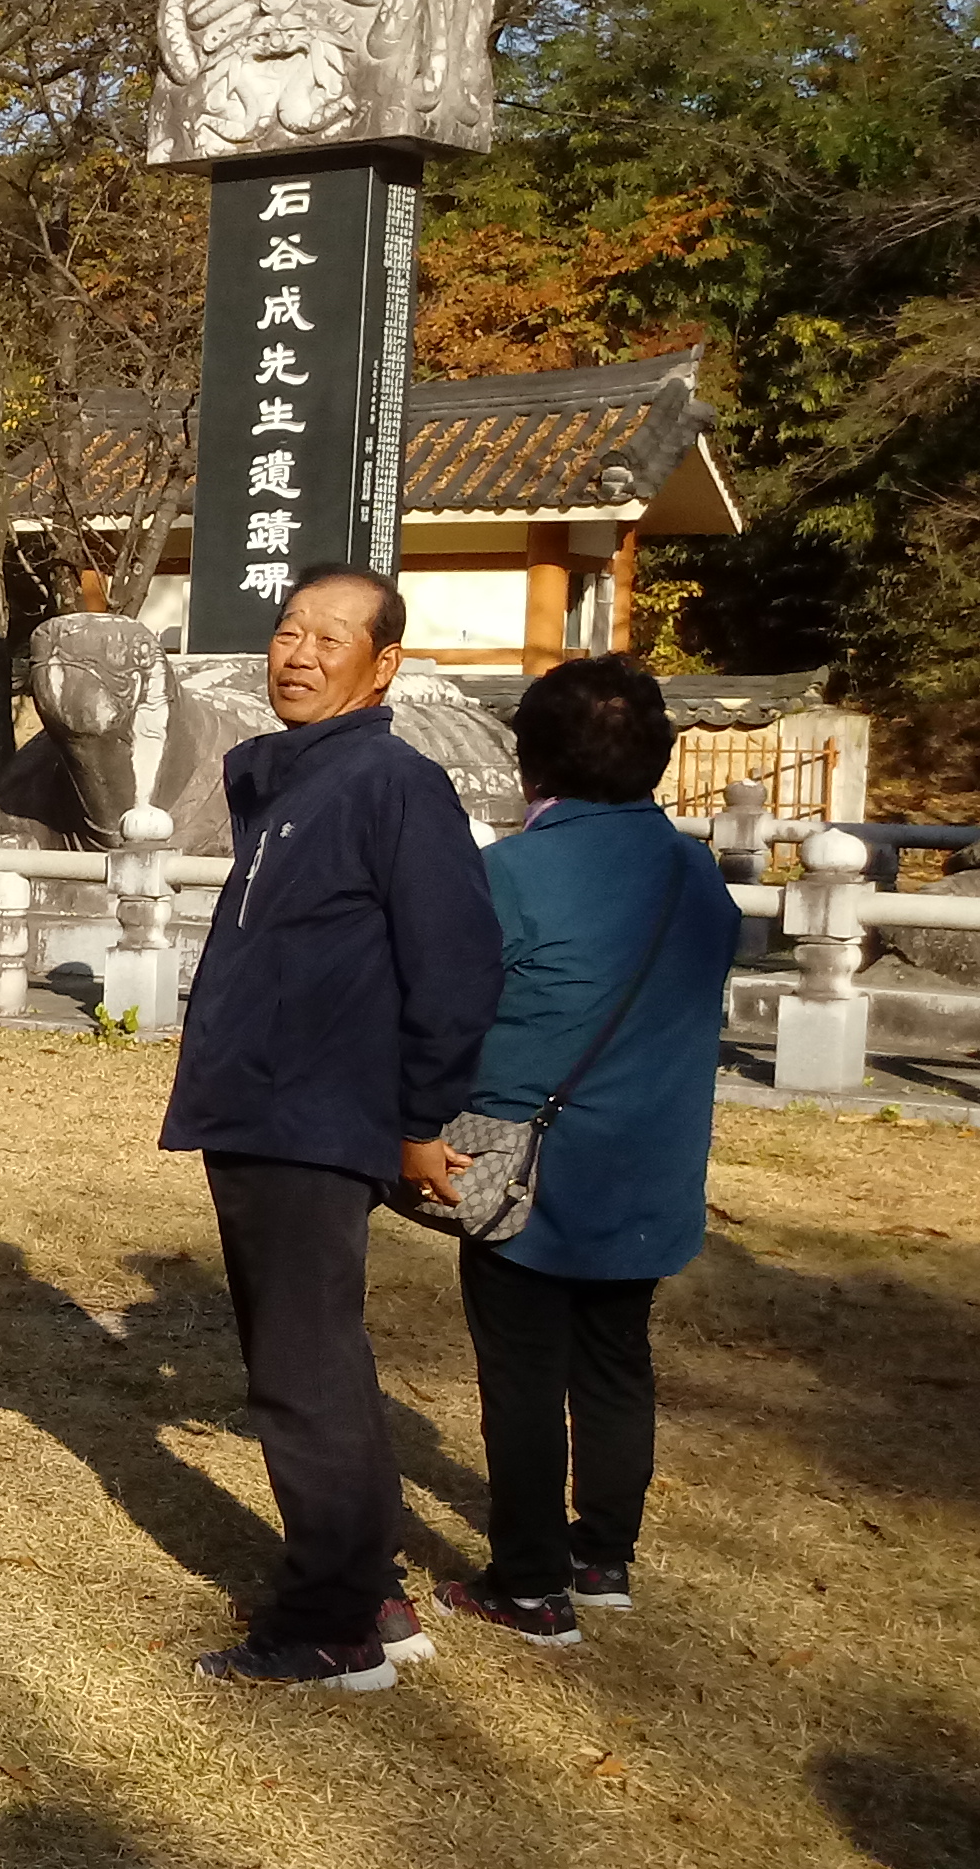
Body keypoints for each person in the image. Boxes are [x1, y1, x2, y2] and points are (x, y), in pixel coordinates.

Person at [157, 563, 501, 1691]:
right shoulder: (286, 778)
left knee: (298, 1375)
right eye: (286, 631)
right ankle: (373, 1593)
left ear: (382, 664)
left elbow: (456, 965)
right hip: (259, 1108)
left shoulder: (387, 783)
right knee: (321, 1365)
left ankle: (327, 1626)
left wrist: (413, 1118)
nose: (297, 655)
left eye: (329, 639)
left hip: (315, 1113)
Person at [432, 656, 738, 1643]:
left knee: (520, 1372)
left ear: (529, 760)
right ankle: (601, 1554)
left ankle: (526, 1584)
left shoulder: (510, 873)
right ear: (655, 757)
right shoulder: (693, 869)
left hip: (524, 1167)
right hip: (649, 1165)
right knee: (614, 1362)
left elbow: (447, 1009)